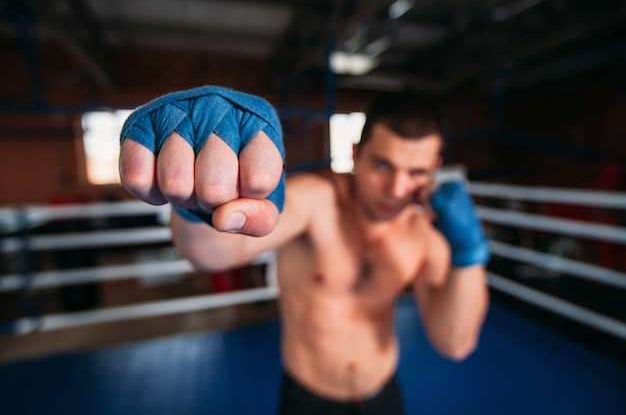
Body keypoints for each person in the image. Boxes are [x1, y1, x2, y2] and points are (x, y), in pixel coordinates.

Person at [119, 86, 490, 414]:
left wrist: (469, 253)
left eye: (417, 173)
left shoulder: (427, 231)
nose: (396, 189)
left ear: (436, 168)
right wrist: (198, 205)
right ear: (357, 153)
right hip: (309, 399)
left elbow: (454, 341)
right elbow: (211, 254)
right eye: (382, 165)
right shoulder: (318, 199)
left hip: (383, 395)